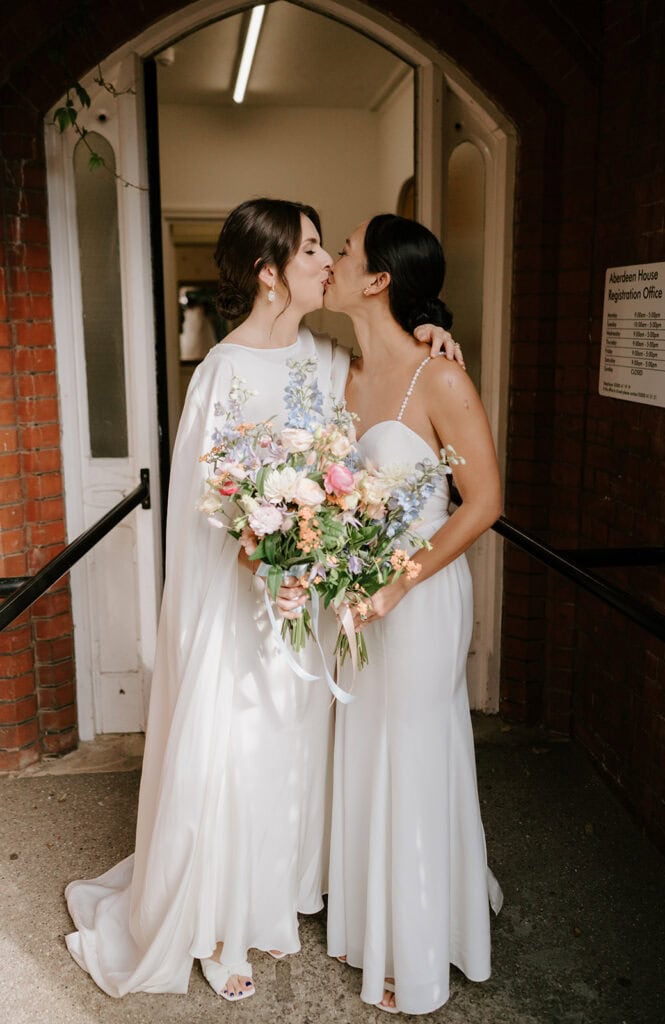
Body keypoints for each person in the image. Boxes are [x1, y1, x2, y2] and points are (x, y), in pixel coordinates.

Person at [64, 198, 461, 1003]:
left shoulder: (322, 357)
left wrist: (430, 334)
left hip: (308, 606)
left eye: (327, 248)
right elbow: (215, 501)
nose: (325, 261)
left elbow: (367, 425)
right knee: (235, 753)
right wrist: (266, 562)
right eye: (313, 248)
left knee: (292, 752)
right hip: (244, 605)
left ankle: (274, 893)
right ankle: (215, 923)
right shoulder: (222, 372)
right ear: (268, 272)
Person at [322, 214, 504, 1015]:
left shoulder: (441, 379)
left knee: (415, 749)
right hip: (354, 598)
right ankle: (372, 922)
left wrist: (401, 581)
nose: (330, 260)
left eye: (345, 252)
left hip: (422, 597)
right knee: (365, 747)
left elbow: (485, 501)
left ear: (377, 281)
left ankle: (419, 945)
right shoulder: (338, 371)